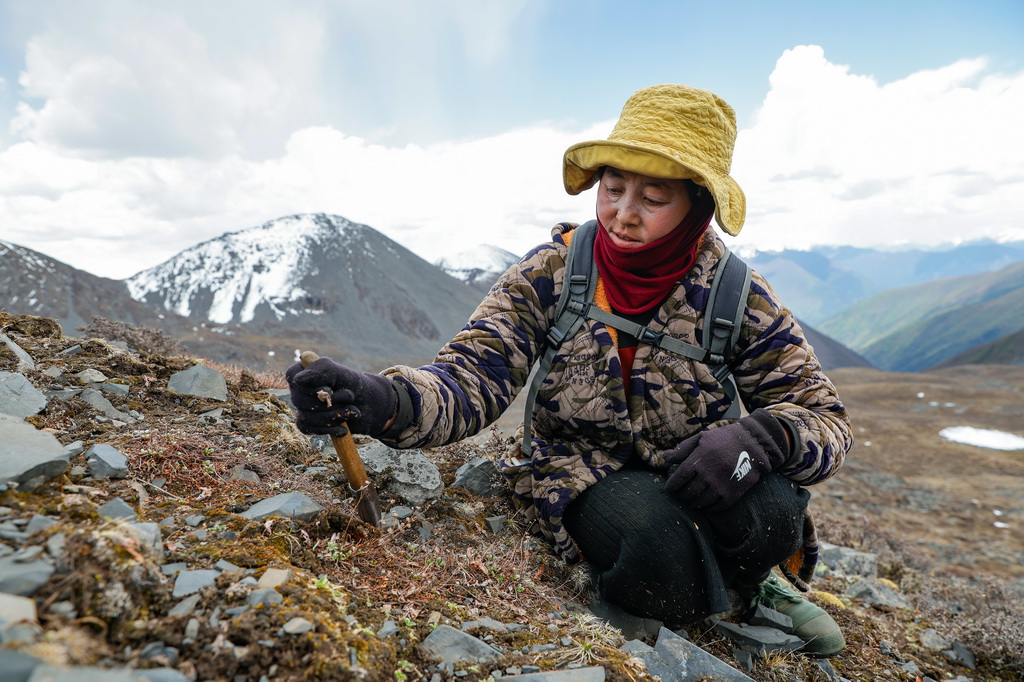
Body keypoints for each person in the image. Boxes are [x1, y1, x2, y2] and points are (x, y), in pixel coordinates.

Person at [286, 84, 853, 656]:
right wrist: (379, 399)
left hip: (696, 470)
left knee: (778, 512)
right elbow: (469, 380)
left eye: (652, 197)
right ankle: (703, 583)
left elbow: (824, 417)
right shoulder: (551, 272)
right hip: (583, 475)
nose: (622, 214)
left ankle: (755, 584)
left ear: (698, 206)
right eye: (612, 189)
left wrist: (759, 437)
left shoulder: (738, 295)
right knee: (659, 551)